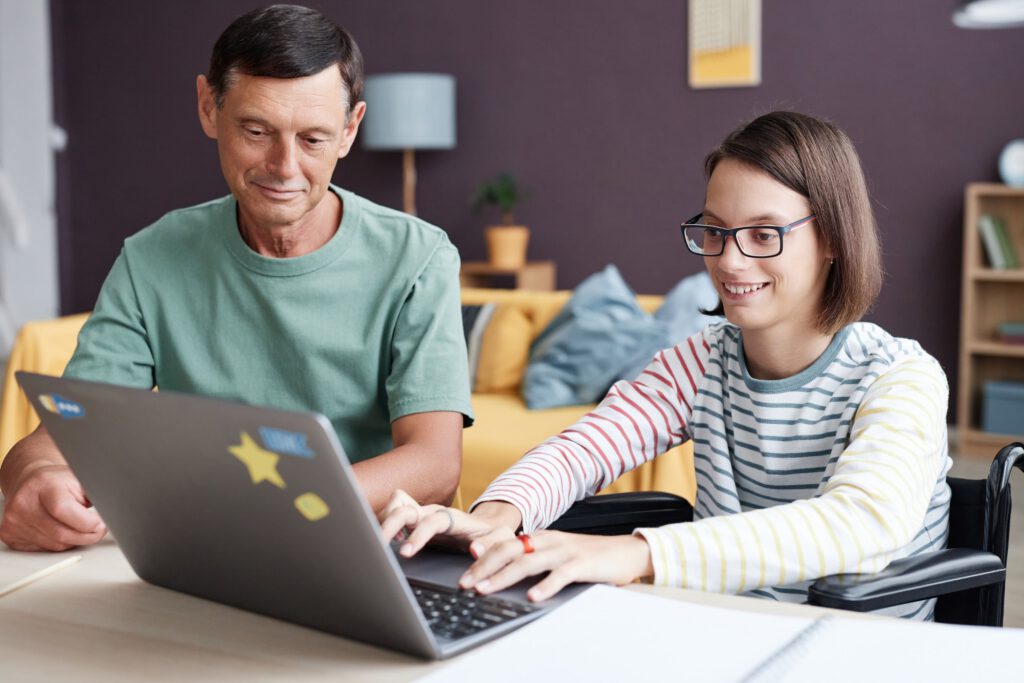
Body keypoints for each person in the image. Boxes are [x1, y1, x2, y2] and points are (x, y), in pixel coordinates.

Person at [380, 111, 951, 620]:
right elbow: (586, 447)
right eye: (715, 230)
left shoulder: (900, 377)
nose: (728, 259)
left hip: (857, 648)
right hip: (729, 630)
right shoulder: (702, 360)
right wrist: (499, 515)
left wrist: (638, 553)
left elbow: (862, 523)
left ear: (831, 239)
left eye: (763, 233)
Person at [0, 5, 472, 552]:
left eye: (313, 139)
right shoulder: (152, 257)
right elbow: (56, 441)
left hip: (378, 550)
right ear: (208, 106)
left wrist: (267, 511)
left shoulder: (419, 256)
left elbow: (436, 463)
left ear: (349, 130)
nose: (284, 167)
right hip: (214, 553)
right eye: (256, 130)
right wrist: (35, 482)